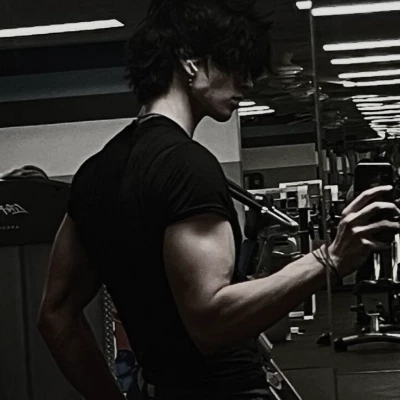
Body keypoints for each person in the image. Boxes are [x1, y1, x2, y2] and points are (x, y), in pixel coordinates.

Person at [36, 1, 400, 399]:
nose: (247, 82)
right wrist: (329, 259)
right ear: (189, 62)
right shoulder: (187, 166)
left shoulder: (93, 173)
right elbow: (211, 322)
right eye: (234, 64)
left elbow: (55, 316)